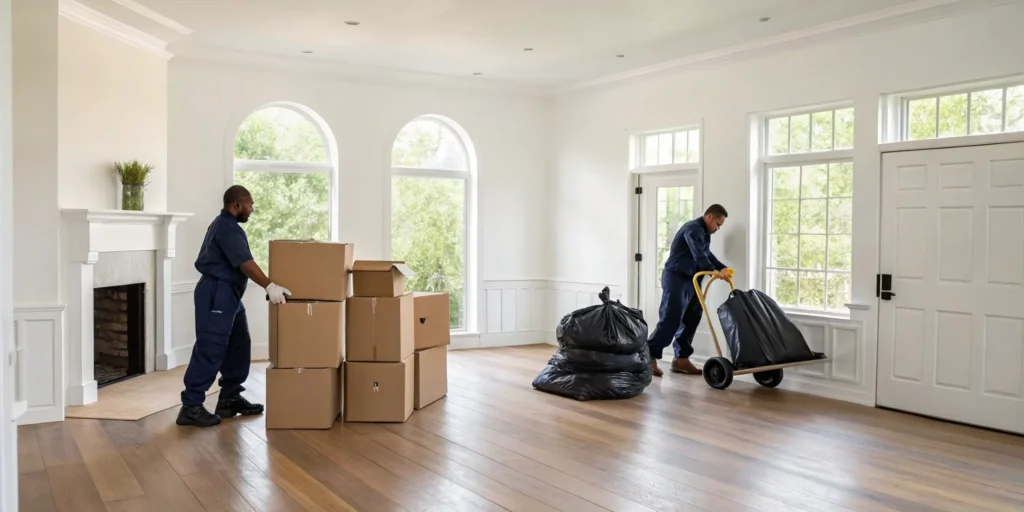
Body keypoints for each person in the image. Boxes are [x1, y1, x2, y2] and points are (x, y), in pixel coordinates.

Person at [176, 185, 292, 427]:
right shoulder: (226, 228)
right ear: (237, 204)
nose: (252, 209)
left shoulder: (227, 226)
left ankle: (229, 398)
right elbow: (245, 263)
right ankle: (191, 406)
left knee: (239, 343)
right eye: (250, 204)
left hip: (229, 294)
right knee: (211, 345)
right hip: (216, 292)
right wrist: (269, 286)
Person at [648, 204, 732, 377]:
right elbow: (699, 255)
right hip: (676, 277)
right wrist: (712, 270)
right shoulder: (693, 229)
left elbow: (706, 254)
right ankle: (648, 356)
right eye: (718, 224)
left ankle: (681, 358)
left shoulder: (704, 233)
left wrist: (721, 268)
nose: (718, 228)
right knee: (671, 318)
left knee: (692, 317)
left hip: (691, 279)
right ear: (709, 216)